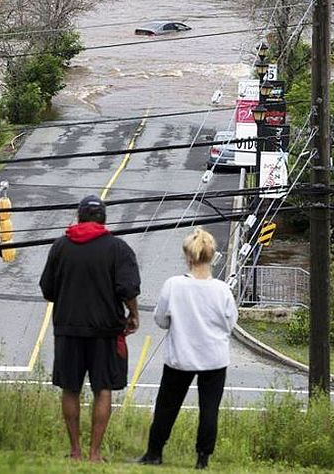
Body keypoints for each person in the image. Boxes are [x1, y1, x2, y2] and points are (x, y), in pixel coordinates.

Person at [40, 194, 141, 462]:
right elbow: (128, 288)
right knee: (103, 388)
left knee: (70, 389)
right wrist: (133, 313)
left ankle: (75, 451)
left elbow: (47, 290)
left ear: (79, 217)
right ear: (104, 220)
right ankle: (94, 454)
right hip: (105, 332)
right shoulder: (118, 249)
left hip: (68, 329)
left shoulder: (60, 247)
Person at [138, 227, 238, 470]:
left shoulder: (174, 285)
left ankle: (154, 452)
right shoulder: (222, 289)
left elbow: (161, 319)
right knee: (209, 409)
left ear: (188, 256)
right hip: (214, 358)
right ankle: (202, 458)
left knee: (167, 405)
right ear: (211, 256)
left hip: (180, 356)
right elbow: (230, 323)